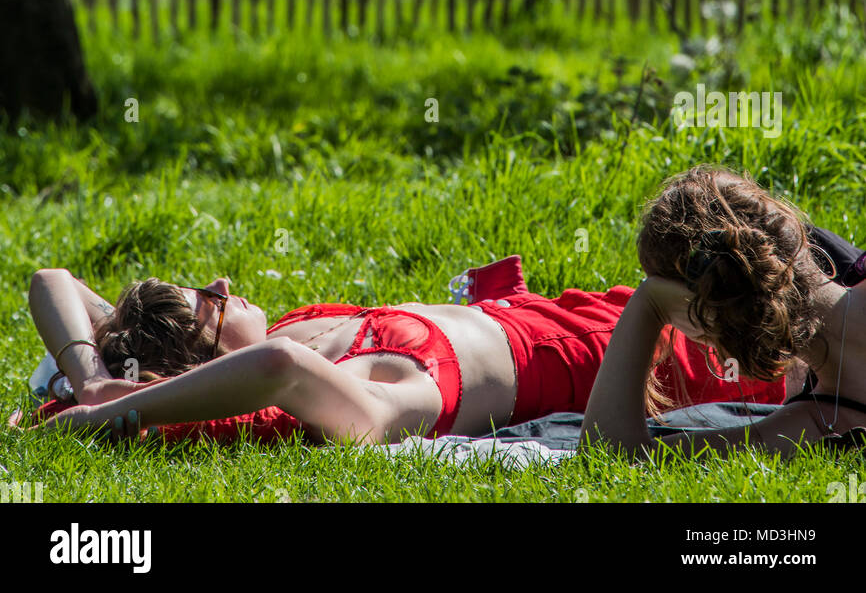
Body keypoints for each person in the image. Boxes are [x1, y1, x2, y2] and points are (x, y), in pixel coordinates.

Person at [23, 248, 788, 447]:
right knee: (823, 325)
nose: (224, 281)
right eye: (213, 303)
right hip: (673, 359)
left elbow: (50, 279)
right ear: (209, 358)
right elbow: (280, 372)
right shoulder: (358, 387)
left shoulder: (296, 325)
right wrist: (113, 417)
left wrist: (91, 379)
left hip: (587, 309)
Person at [580, 165, 866, 458]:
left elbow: (607, 451)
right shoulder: (816, 415)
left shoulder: (817, 425)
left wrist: (648, 302)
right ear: (795, 233)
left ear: (700, 319)